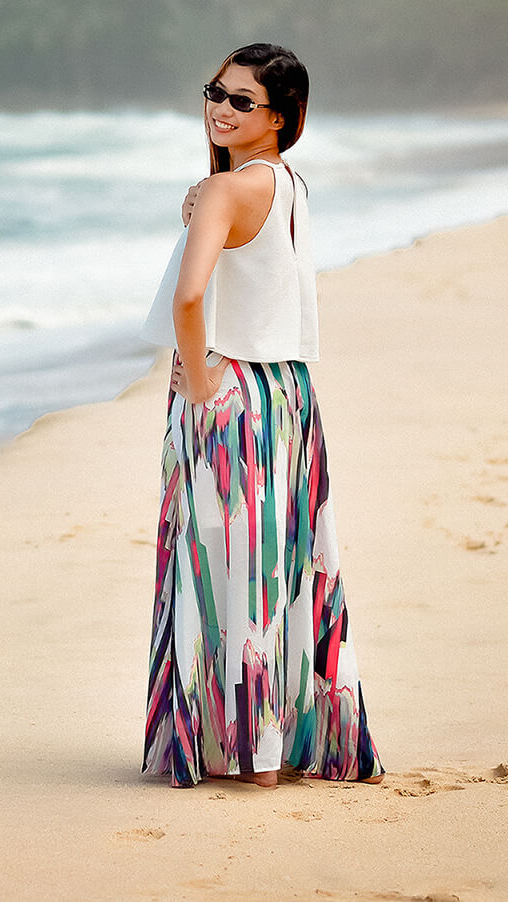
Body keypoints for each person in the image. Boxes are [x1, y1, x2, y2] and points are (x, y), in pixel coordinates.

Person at [139, 42, 384, 789]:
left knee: (221, 564)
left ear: (280, 117)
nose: (220, 107)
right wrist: (202, 195)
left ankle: (242, 750)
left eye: (241, 101)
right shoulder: (286, 183)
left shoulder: (226, 192)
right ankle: (278, 745)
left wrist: (204, 378)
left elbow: (190, 298)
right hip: (288, 393)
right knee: (282, 564)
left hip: (232, 391)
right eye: (215, 91)